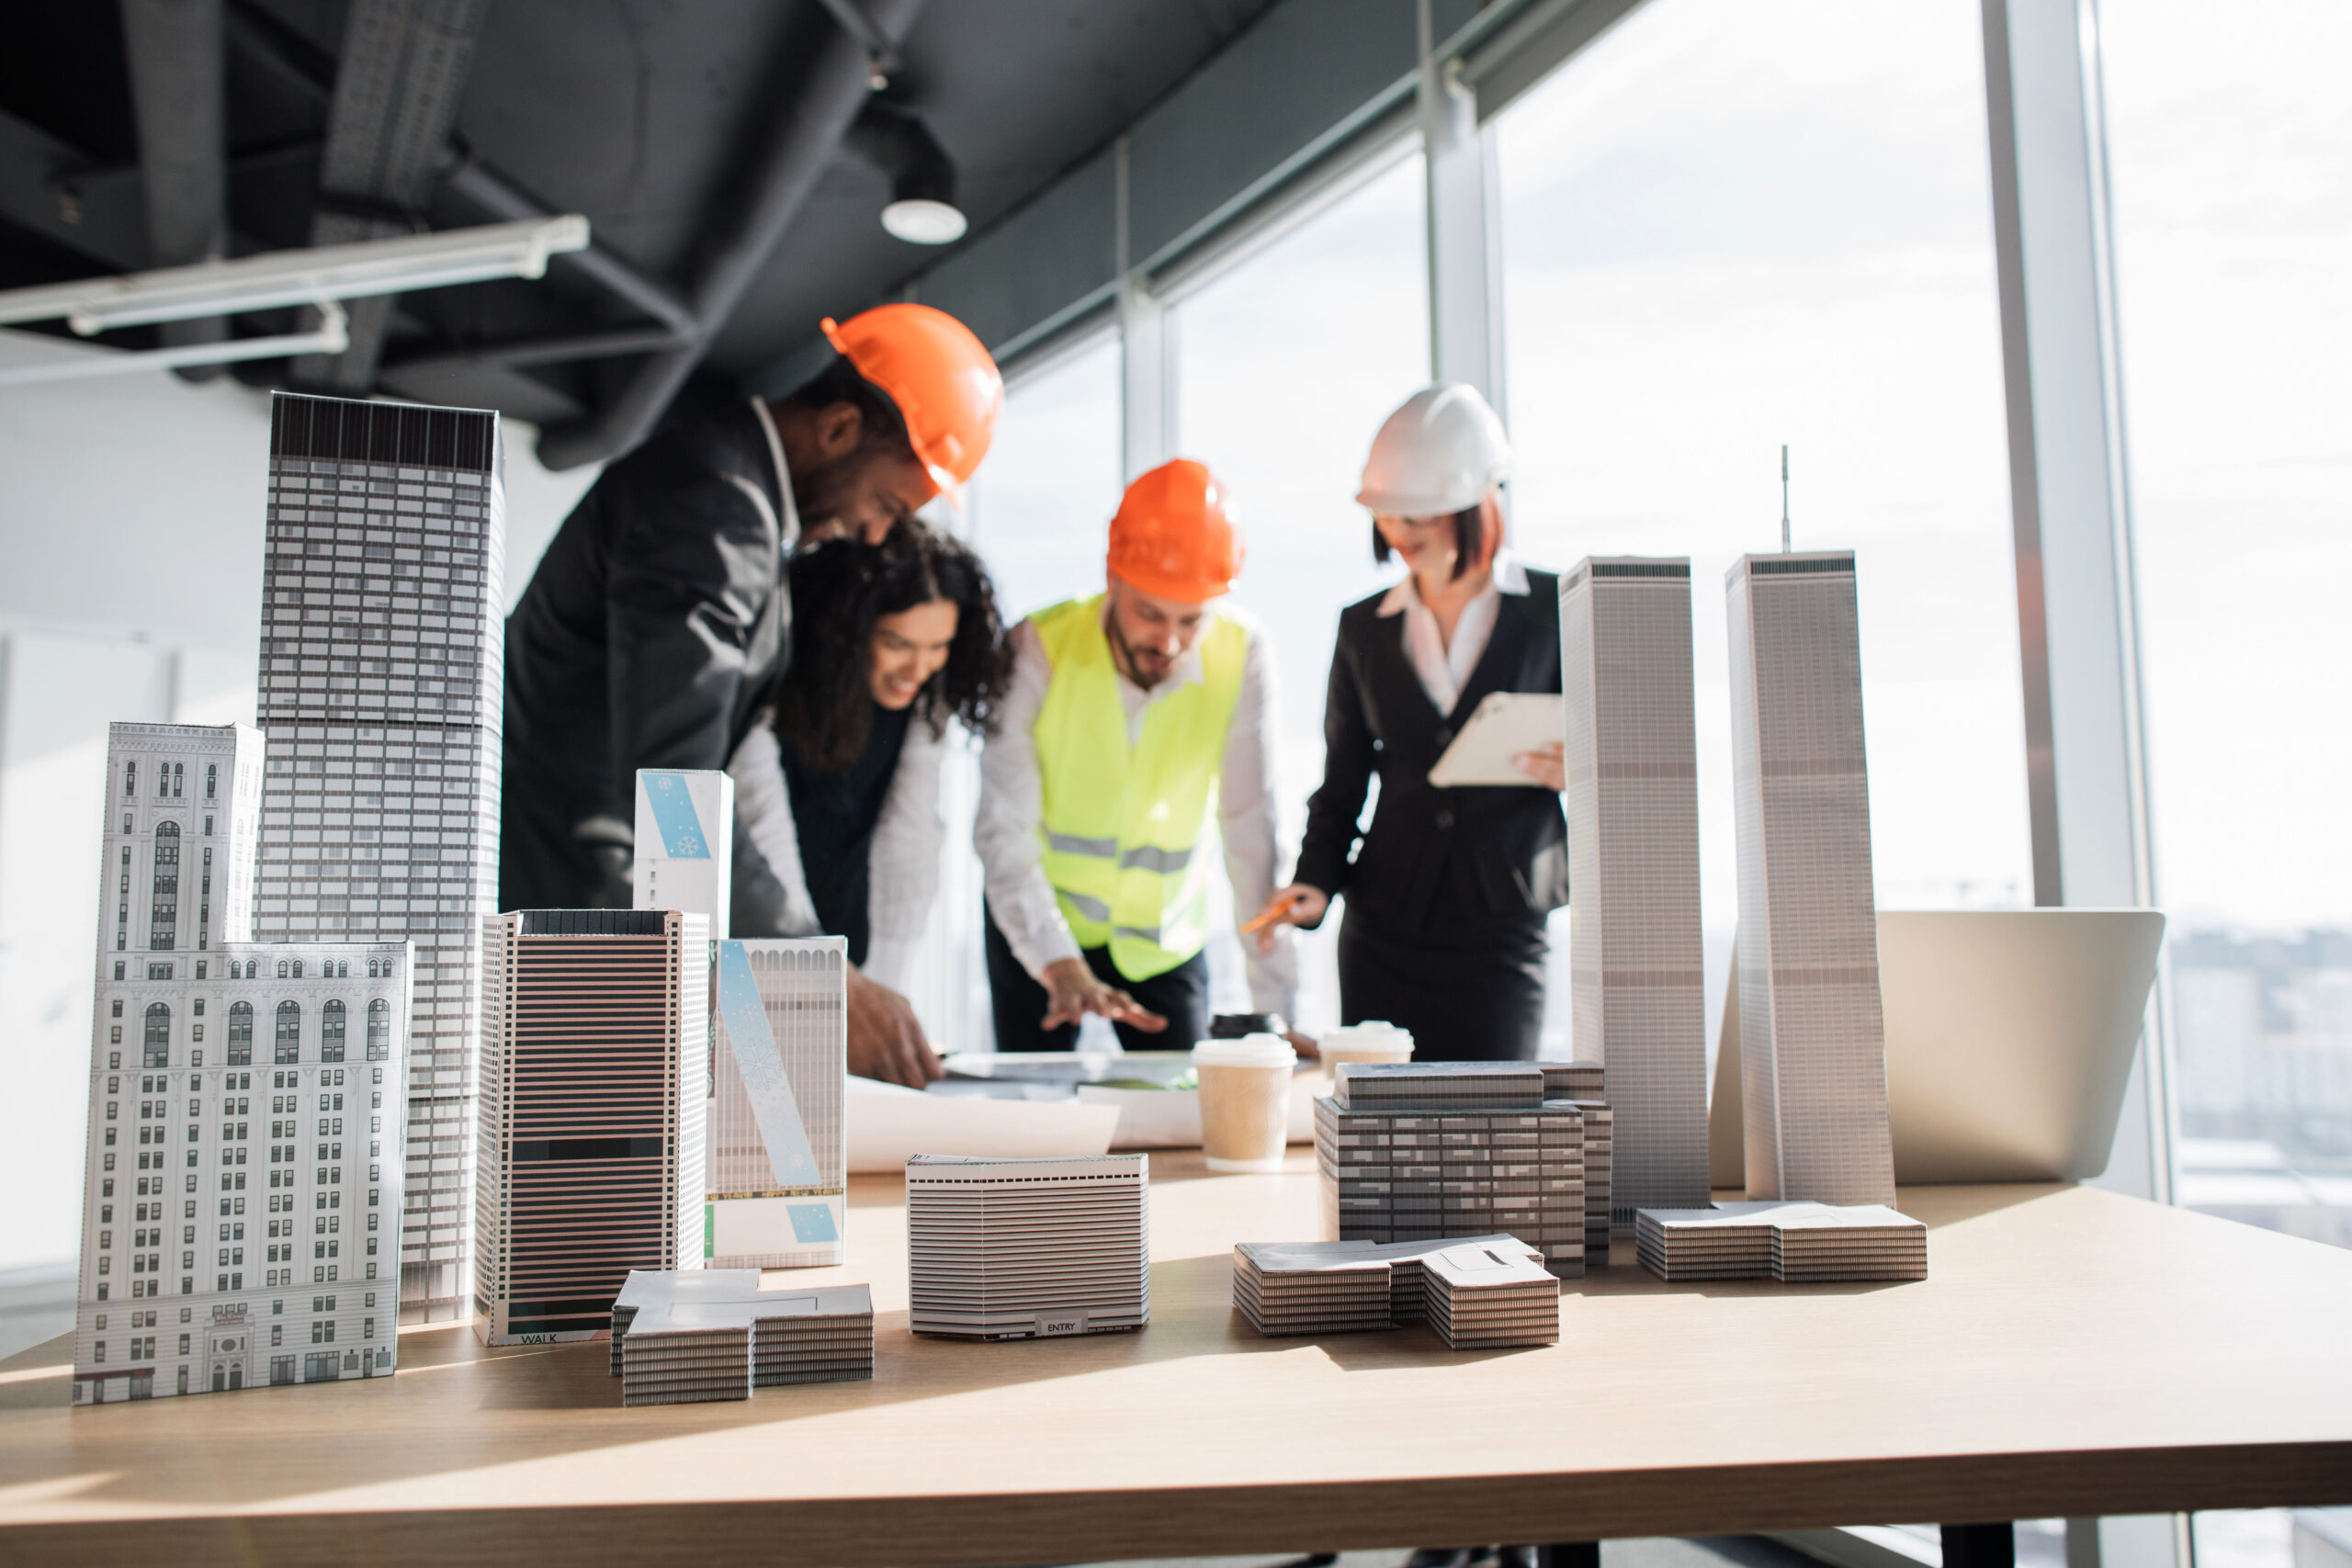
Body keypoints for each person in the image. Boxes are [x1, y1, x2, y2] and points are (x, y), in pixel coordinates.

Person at [500, 303, 1002, 1085]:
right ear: (838, 428)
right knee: (594, 1187)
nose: (875, 535)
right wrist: (819, 972)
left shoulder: (735, 496)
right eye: (887, 506)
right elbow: (679, 785)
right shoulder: (713, 506)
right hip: (578, 909)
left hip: (599, 900)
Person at [1252, 384, 1568, 1062]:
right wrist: (1316, 878)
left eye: (1419, 524)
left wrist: (1588, 770)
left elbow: (1624, 756)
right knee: (1384, 1138)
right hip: (1384, 928)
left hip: (1503, 922)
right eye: (1391, 523)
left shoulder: (1558, 608)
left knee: (1497, 1128)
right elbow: (1343, 779)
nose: (1399, 539)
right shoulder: (1363, 627)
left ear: (1478, 505)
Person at [975, 458, 1297, 1052]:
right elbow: (1003, 832)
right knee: (1029, 1115)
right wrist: (1057, 963)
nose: (1168, 642)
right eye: (1150, 613)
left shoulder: (1243, 654)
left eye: (1190, 620)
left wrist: (1276, 1012)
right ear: (1112, 577)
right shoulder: (1036, 647)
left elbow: (1251, 832)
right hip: (1039, 927)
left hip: (1164, 941)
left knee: (1182, 1115)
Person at [728, 522, 1011, 1009]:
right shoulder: (770, 690)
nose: (919, 670)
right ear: (847, 631)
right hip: (755, 934)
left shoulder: (923, 705)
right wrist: (808, 971)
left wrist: (882, 993)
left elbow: (911, 844)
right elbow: (760, 826)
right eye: (898, 644)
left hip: (850, 936)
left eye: (937, 647)